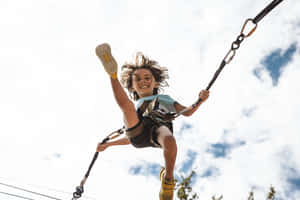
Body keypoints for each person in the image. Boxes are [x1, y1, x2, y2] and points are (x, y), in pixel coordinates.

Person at [95, 43, 209, 200]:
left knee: (169, 139)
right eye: (138, 79)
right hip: (139, 127)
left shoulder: (164, 99)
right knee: (127, 107)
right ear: (132, 87)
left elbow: (187, 112)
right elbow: (130, 137)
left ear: (156, 83)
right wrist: (109, 144)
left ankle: (168, 180)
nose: (143, 81)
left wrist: (200, 100)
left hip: (159, 126)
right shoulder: (137, 105)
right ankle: (112, 75)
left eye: (147, 78)